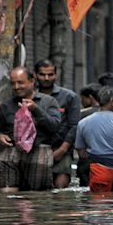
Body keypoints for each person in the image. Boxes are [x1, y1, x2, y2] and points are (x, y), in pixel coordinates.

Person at [0, 66, 61, 192]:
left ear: (32, 82)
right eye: (13, 83)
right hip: (12, 152)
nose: (16, 87)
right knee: (7, 194)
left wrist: (36, 110)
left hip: (39, 152)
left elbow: (54, 126)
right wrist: (0, 136)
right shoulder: (6, 106)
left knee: (36, 198)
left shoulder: (48, 102)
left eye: (20, 82)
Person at [35, 59, 81, 189]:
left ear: (56, 75)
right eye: (42, 74)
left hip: (60, 149)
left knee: (60, 190)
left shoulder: (69, 97)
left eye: (50, 74)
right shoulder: (29, 96)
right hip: (35, 149)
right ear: (35, 75)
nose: (46, 78)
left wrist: (63, 149)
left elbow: (74, 125)